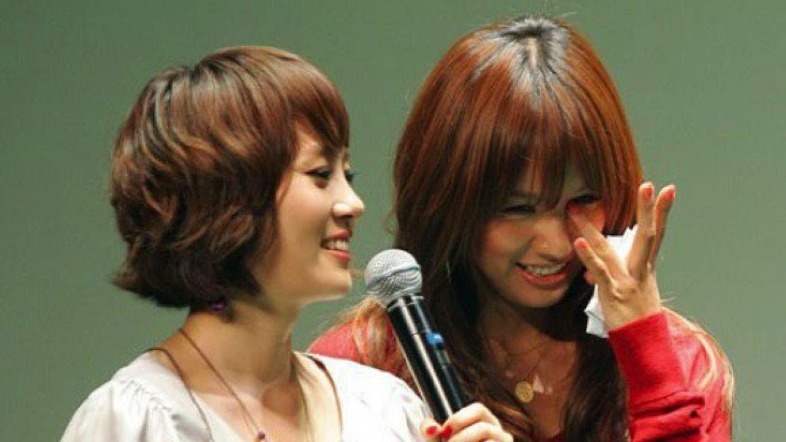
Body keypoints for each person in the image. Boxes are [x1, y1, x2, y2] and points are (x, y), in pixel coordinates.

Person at [310, 15, 734, 441]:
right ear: (448, 202)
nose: (556, 244)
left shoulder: (681, 365)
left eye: (584, 200)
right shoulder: (355, 370)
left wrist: (647, 355)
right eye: (518, 208)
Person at [61, 46, 513, 442]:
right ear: (229, 196)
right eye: (321, 174)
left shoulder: (385, 407)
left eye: (348, 175)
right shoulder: (137, 420)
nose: (353, 204)